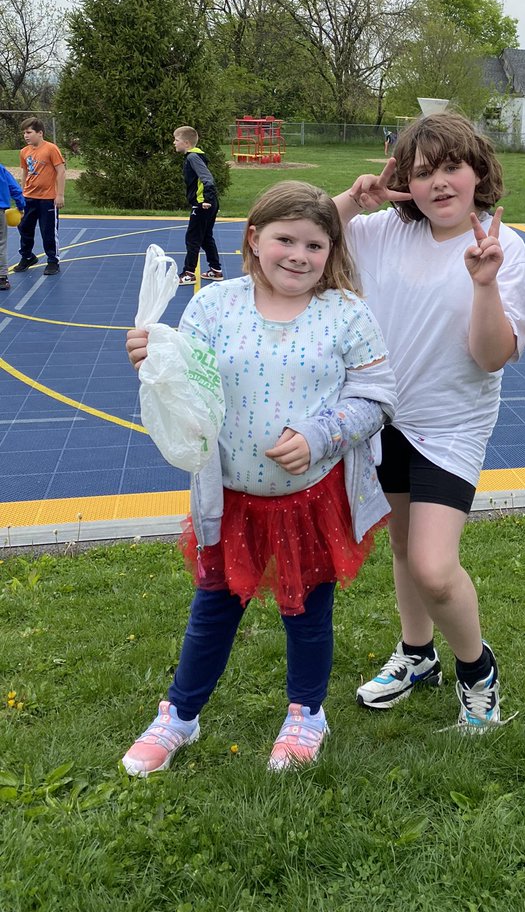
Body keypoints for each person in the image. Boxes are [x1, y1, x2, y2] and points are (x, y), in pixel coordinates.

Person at [120, 181, 397, 775]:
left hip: (312, 500)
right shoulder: (214, 305)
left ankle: (306, 713)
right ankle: (180, 716)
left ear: (333, 250)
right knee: (214, 607)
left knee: (308, 611)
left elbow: (377, 397)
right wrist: (157, 363)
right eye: (285, 239)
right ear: (254, 239)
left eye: (315, 245)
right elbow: (189, 385)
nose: (298, 255)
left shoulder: (346, 313)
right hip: (230, 498)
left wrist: (323, 435)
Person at [335, 111, 525, 731]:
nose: (439, 183)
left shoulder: (505, 248)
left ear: (479, 171)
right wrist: (350, 198)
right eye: (422, 173)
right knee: (400, 545)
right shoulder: (381, 230)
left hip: (450, 429)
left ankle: (479, 673)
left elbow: (493, 355)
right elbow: (286, 230)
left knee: (434, 566)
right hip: (385, 419)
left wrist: (483, 282)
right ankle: (417, 655)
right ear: (406, 183)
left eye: (452, 167)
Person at [12, 117, 66, 277]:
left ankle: (52, 260)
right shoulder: (24, 151)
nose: (25, 136)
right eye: (24, 133)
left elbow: (61, 171)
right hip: (29, 197)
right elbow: (25, 172)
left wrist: (60, 194)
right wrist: (21, 194)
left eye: (29, 132)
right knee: (24, 228)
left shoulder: (51, 149)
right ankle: (27, 256)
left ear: (40, 133)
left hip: (48, 198)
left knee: (48, 231)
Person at [173, 126, 224, 285]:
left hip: (204, 204)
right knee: (206, 237)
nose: (174, 143)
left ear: (186, 143)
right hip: (207, 203)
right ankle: (216, 271)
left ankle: (189, 274)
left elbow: (207, 178)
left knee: (193, 238)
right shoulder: (194, 156)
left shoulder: (192, 157)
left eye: (176, 140)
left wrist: (207, 200)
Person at [0, 164, 26, 292]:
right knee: (1, 244)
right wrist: (20, 207)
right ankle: (2, 278)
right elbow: (15, 189)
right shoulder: (1, 169)